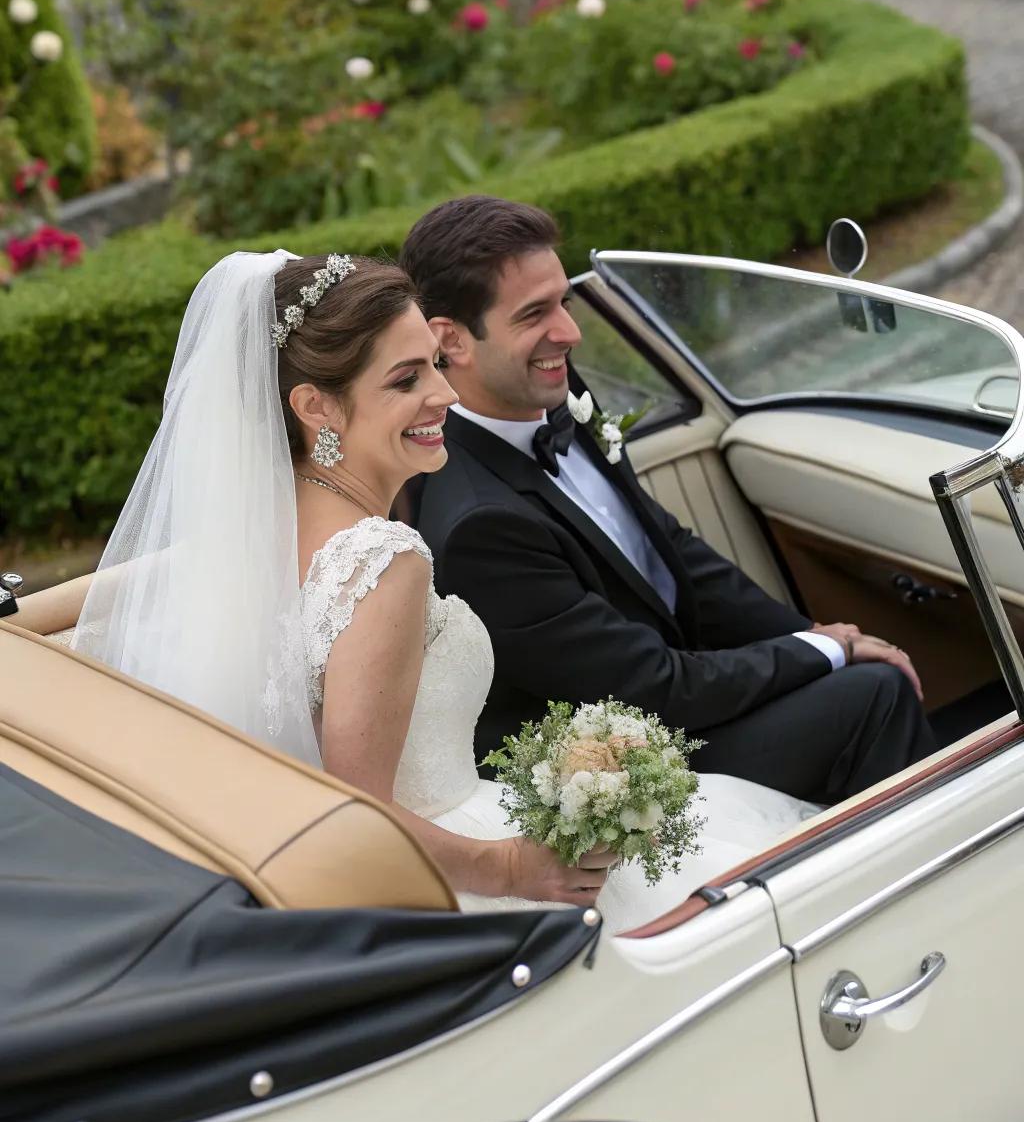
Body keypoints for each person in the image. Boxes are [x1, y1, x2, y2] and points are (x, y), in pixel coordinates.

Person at [21, 247, 827, 932]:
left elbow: (44, 615)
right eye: (407, 380)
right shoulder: (382, 561)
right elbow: (356, 813)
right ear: (316, 406)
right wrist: (511, 867)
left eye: (437, 365)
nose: (443, 395)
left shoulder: (243, 536)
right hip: (451, 873)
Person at [400, 195, 940, 807]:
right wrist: (826, 651)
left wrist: (812, 633)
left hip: (668, 688)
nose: (570, 334)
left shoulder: (550, 388)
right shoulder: (480, 525)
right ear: (452, 340)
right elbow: (652, 689)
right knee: (875, 695)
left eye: (565, 303)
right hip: (627, 767)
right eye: (534, 315)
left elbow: (667, 546)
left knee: (863, 672)